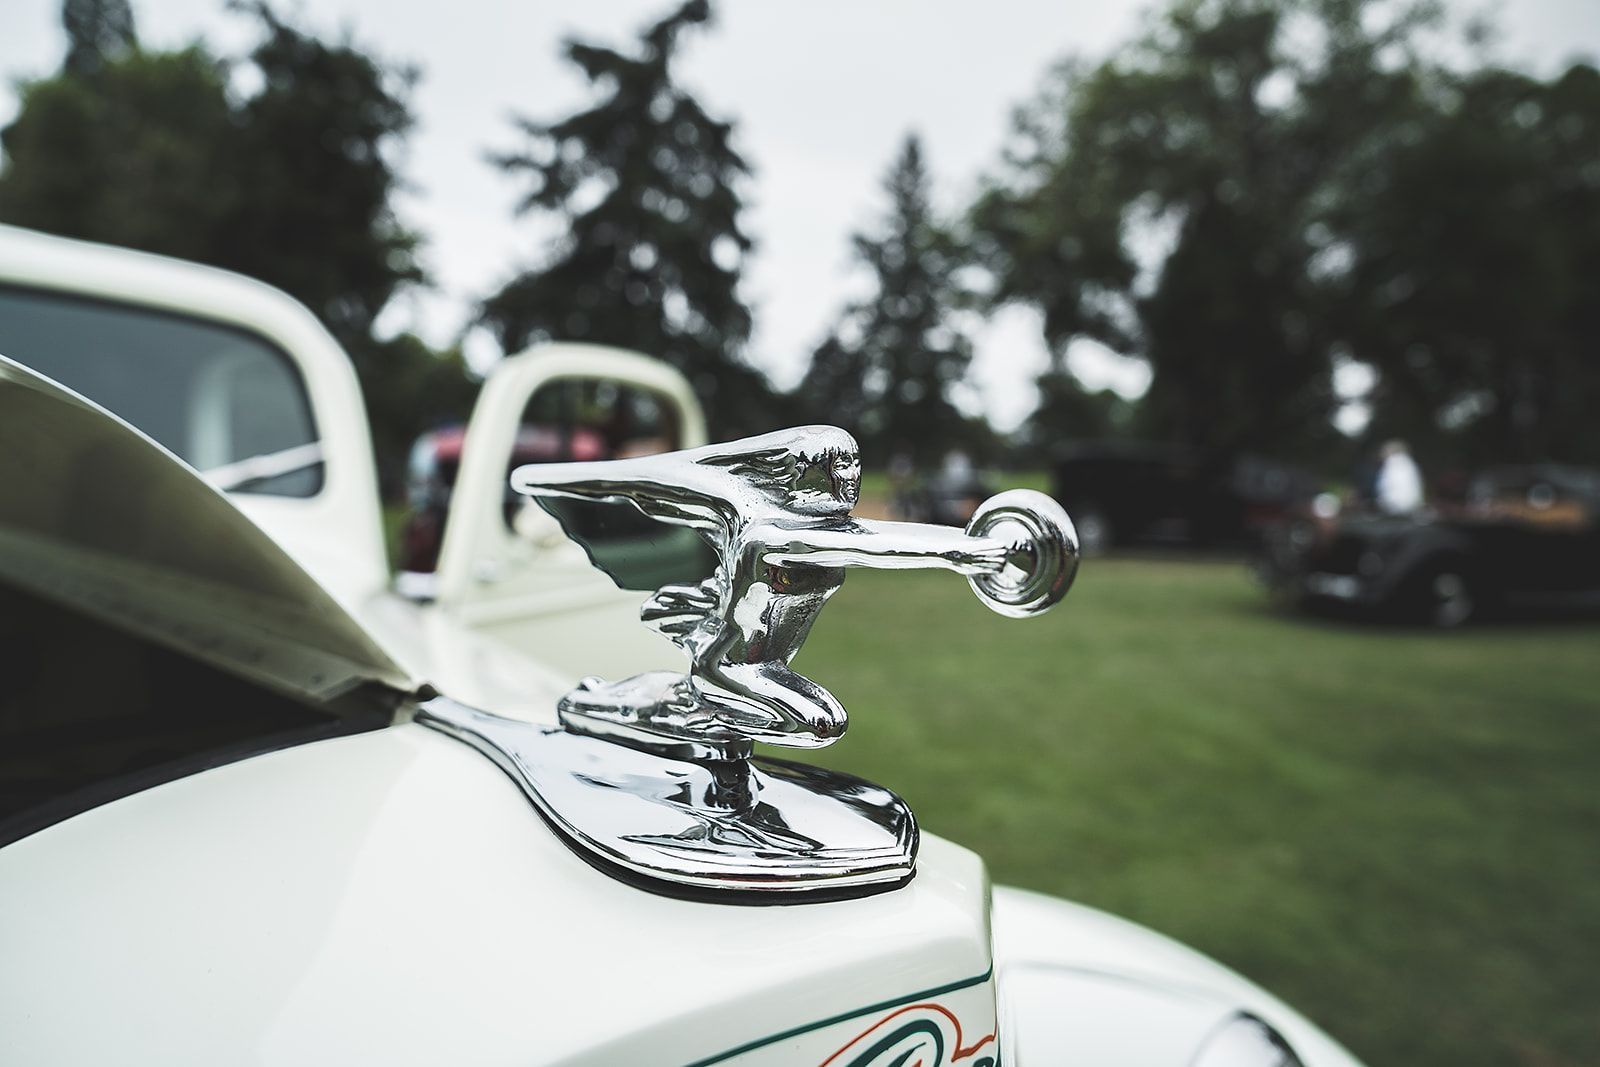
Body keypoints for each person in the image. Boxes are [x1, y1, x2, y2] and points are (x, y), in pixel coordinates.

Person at [1375, 439, 1424, 515]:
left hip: (1393, 506)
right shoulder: (1410, 463)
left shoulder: (1391, 462)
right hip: (1412, 506)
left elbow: (1384, 486)